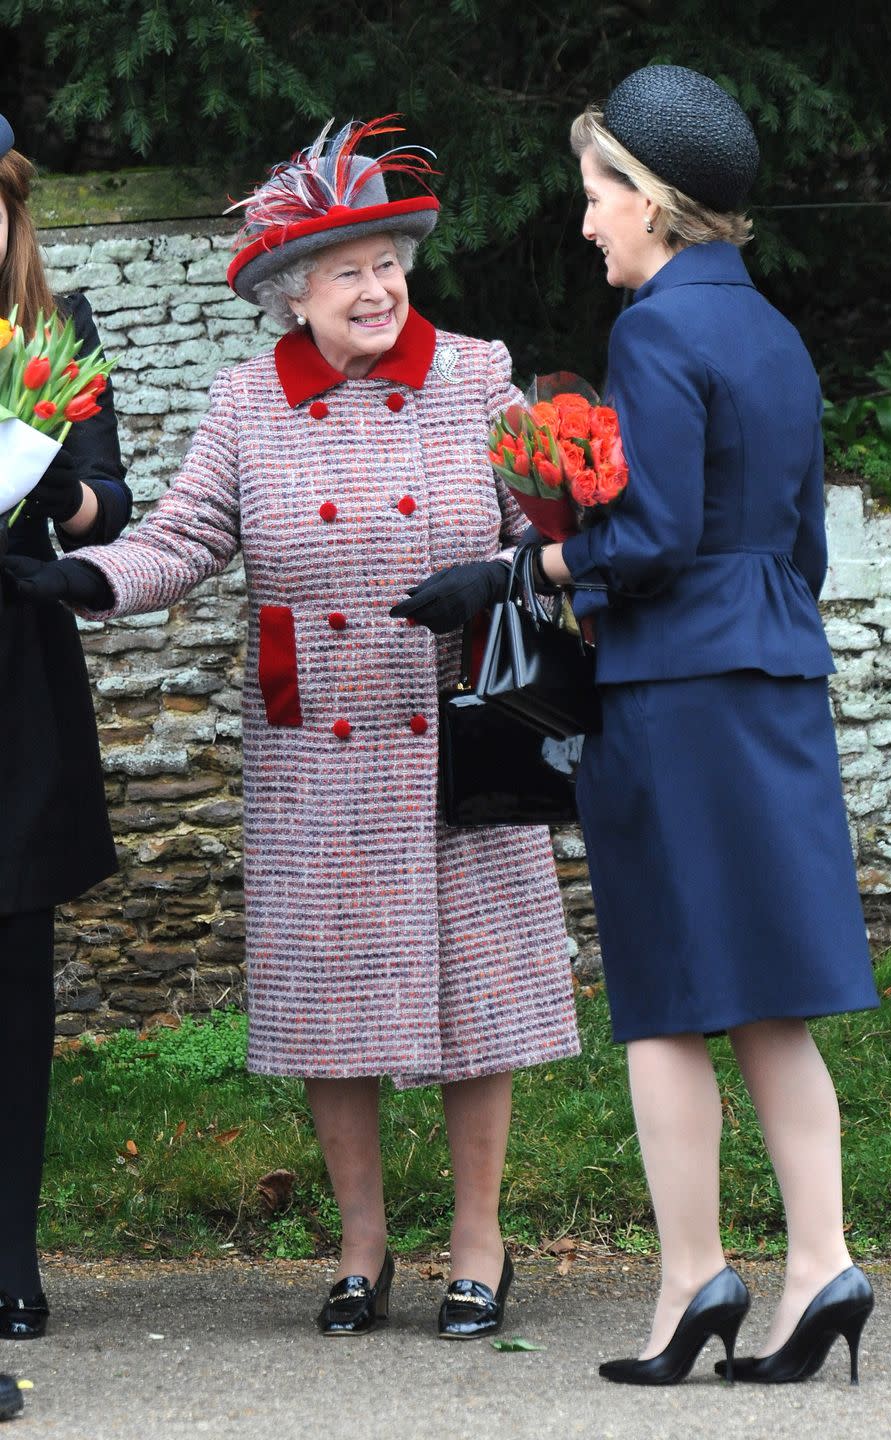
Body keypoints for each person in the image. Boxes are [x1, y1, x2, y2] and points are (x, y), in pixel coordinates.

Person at [2, 117, 580, 1340]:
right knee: (336, 1002)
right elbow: (185, 539)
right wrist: (89, 579)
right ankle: (361, 1249)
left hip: (460, 730)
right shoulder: (246, 405)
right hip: (319, 743)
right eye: (344, 270)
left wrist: (502, 571)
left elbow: (552, 523)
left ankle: (479, 1243)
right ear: (288, 293)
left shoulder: (479, 373)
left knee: (476, 993)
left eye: (388, 261)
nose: (376, 289)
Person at [531, 66, 880, 1385]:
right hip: (774, 677)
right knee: (771, 999)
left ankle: (691, 1281)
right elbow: (797, 544)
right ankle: (819, 1263)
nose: (583, 225)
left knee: (669, 999)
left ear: (652, 204)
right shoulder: (773, 334)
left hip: (675, 691)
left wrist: (538, 566)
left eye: (593, 197)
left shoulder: (655, 335)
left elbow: (656, 534)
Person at [0, 113, 131, 1340]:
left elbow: (112, 504)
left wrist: (56, 486)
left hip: (13, 671)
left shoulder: (54, 333)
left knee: (15, 982)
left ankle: (11, 1250)